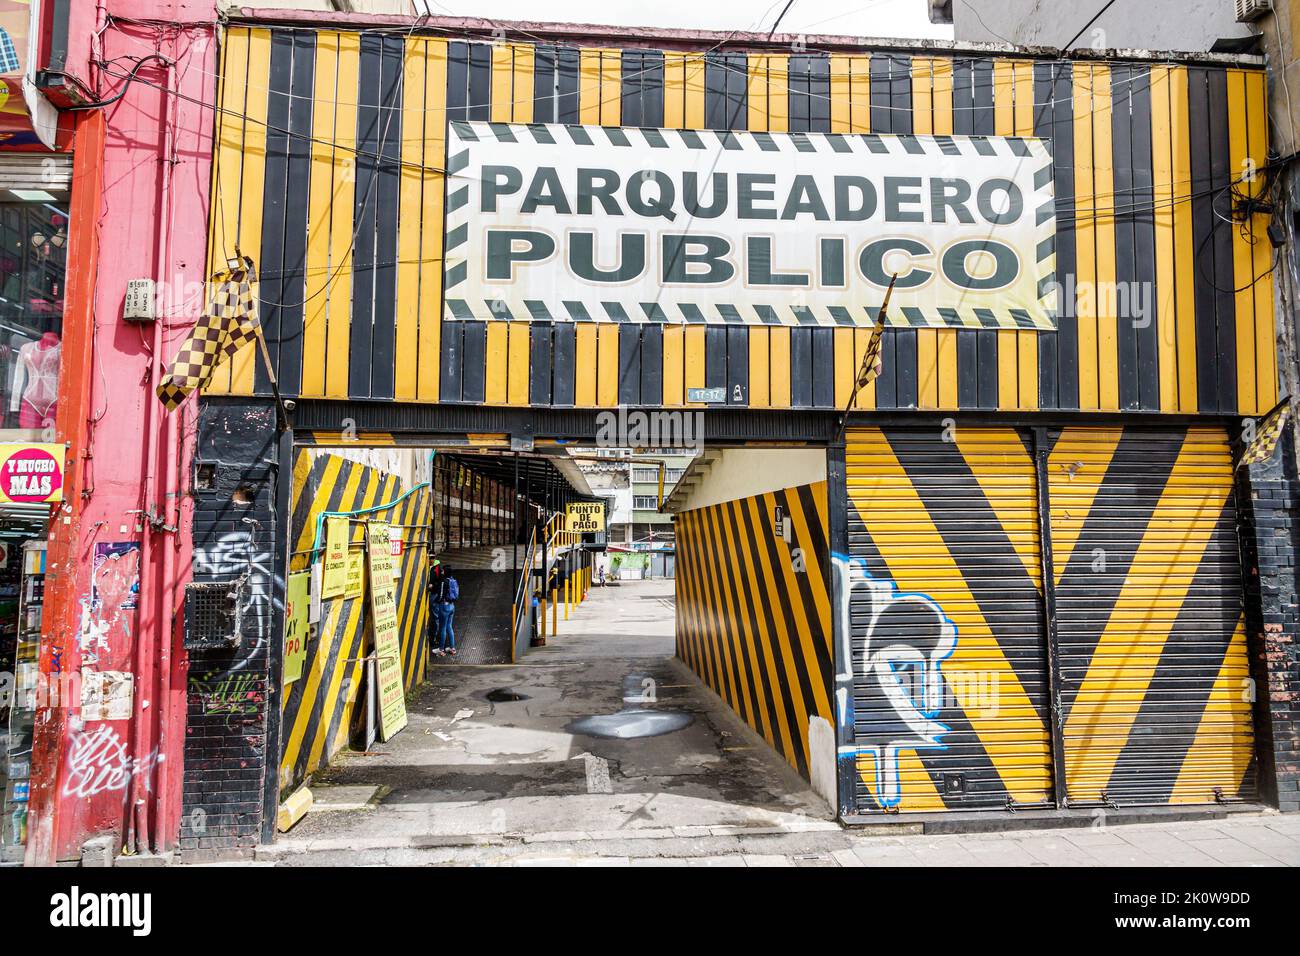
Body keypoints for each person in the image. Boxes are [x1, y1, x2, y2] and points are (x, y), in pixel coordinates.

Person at [431, 564, 459, 656]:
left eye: (443, 571)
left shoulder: (444, 582)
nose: (442, 572)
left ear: (445, 572)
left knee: (442, 627)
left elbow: (441, 595)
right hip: (452, 606)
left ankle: (441, 650)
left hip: (444, 606)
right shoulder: (452, 580)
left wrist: (436, 601)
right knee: (449, 626)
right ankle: (452, 648)